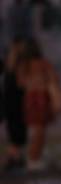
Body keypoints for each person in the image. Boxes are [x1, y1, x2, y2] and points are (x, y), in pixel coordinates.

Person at [17, 38, 59, 171]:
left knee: (34, 130)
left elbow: (21, 83)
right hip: (41, 96)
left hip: (29, 97)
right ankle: (34, 158)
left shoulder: (23, 65)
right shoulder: (43, 64)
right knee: (40, 130)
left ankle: (33, 157)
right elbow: (53, 79)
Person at [3, 37, 28, 171]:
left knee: (14, 130)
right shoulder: (21, 64)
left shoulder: (8, 64)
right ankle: (13, 157)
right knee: (18, 130)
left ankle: (15, 156)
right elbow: (22, 84)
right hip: (18, 101)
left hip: (9, 101)